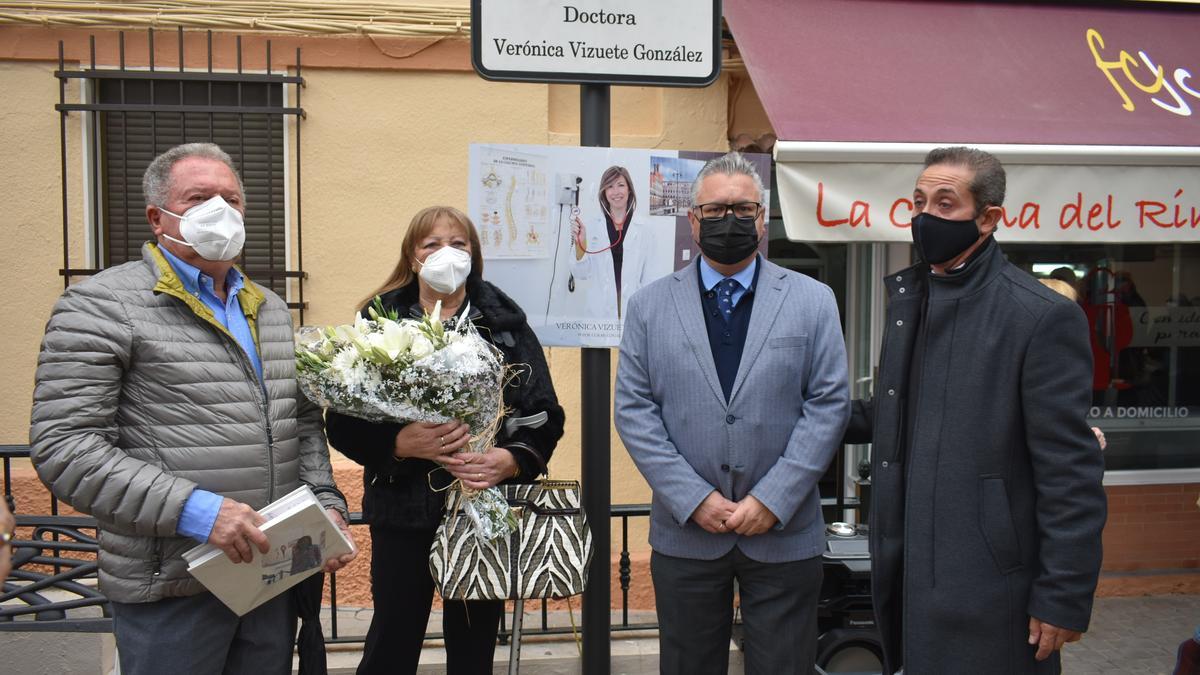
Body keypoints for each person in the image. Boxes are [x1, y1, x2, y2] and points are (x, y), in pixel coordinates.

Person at [28, 142, 354, 675]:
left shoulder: (268, 308)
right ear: (159, 218)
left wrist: (325, 504)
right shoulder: (100, 304)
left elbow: (299, 422)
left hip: (269, 578)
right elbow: (65, 446)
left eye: (231, 198)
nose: (220, 210)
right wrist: (197, 512)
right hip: (173, 582)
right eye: (200, 197)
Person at [845, 147, 1107, 674]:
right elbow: (895, 413)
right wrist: (797, 413)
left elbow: (1070, 474)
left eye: (945, 203)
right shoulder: (912, 300)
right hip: (910, 571)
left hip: (991, 589)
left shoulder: (1040, 317)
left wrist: (1063, 596)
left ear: (988, 218)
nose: (925, 217)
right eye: (919, 202)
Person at [615, 152, 850, 674]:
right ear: (693, 220)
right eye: (715, 210)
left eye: (742, 209)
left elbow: (828, 403)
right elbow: (634, 410)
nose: (730, 220)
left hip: (784, 532)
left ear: (762, 219)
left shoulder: (814, 300)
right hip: (687, 532)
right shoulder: (649, 306)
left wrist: (774, 496)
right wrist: (693, 498)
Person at [324, 206, 564, 675]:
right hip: (401, 512)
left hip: (481, 508)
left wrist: (511, 460)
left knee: (474, 648)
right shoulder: (379, 322)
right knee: (393, 638)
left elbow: (543, 415)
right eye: (431, 244)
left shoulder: (506, 325)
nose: (445, 253)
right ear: (412, 258)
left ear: (474, 255)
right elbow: (343, 420)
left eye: (458, 244)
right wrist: (398, 443)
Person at [570, 165, 663, 320]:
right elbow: (581, 273)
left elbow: (651, 277)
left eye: (621, 185)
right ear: (604, 192)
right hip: (598, 315)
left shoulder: (645, 228)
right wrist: (581, 243)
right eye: (610, 186)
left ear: (629, 190)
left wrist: (649, 315)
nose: (616, 192)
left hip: (633, 313)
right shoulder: (591, 226)